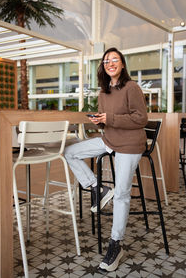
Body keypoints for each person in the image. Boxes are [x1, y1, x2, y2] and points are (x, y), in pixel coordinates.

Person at [64, 47, 148, 272]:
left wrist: (109, 118)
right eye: (106, 60)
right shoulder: (103, 92)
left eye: (115, 60)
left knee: (121, 194)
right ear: (102, 66)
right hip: (110, 139)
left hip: (130, 143)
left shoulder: (131, 87)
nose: (110, 63)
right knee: (70, 152)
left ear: (122, 64)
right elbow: (109, 122)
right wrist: (100, 122)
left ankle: (115, 244)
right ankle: (97, 189)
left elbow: (141, 119)